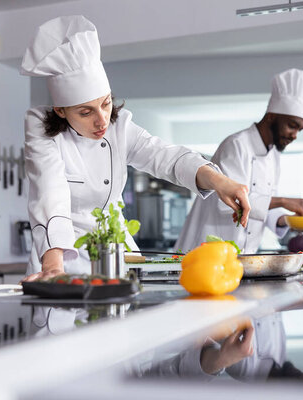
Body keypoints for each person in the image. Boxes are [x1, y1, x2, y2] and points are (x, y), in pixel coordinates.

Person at [20, 16, 251, 281]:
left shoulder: (119, 127)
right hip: (62, 259)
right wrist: (53, 270)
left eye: (106, 104)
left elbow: (166, 157)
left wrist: (221, 181)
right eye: (86, 112)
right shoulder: (39, 126)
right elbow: (50, 191)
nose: (102, 120)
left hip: (116, 255)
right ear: (60, 110)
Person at [175, 69, 303, 254]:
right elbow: (229, 201)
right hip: (205, 251)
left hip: (242, 257)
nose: (294, 135)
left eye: (299, 130)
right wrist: (283, 201)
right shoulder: (236, 145)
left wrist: (291, 220)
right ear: (272, 115)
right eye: (292, 125)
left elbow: (263, 208)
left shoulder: (274, 156)